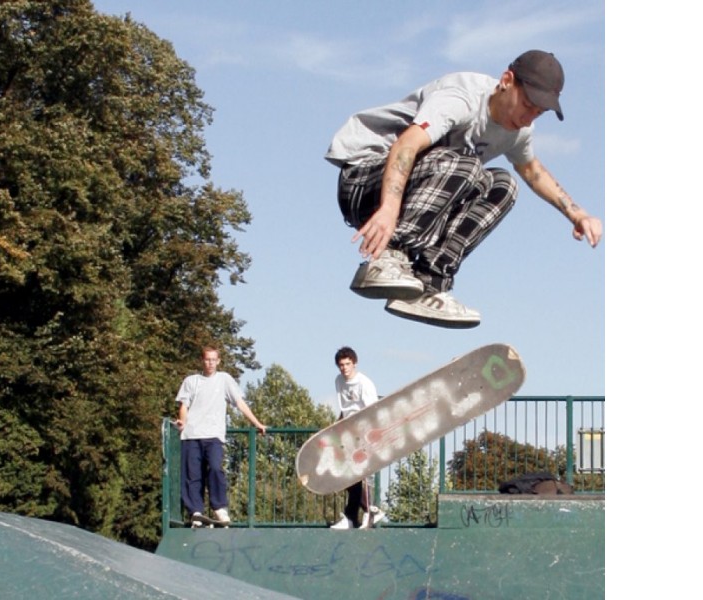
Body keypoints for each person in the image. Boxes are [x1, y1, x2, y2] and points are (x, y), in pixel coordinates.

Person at [325, 50, 603, 328]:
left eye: (538, 113)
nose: (528, 119)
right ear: (507, 81)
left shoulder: (518, 131)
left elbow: (531, 170)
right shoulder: (461, 97)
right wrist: (388, 208)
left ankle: (429, 285)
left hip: (412, 195)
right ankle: (388, 257)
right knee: (467, 165)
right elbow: (406, 146)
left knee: (503, 186)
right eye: (527, 105)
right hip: (364, 180)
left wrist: (577, 215)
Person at [175, 346, 267, 527]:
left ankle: (219, 507)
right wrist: (182, 422)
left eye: (213, 360)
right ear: (202, 361)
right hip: (191, 434)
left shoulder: (224, 379)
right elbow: (184, 406)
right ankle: (196, 512)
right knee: (193, 475)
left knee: (216, 468)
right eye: (207, 359)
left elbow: (239, 403)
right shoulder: (191, 381)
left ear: (218, 361)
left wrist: (256, 423)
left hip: (213, 435)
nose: (210, 363)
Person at [330, 346, 387, 530]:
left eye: (347, 364)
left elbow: (372, 412)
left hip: (364, 431)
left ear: (354, 363)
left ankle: (363, 513)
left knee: (358, 473)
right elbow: (345, 408)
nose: (344, 368)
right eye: (341, 365)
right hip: (348, 432)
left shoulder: (364, 383)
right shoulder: (339, 381)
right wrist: (336, 425)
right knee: (346, 473)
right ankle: (356, 515)